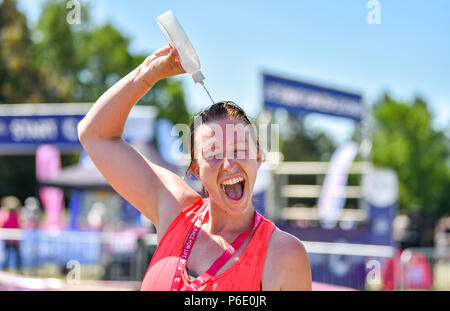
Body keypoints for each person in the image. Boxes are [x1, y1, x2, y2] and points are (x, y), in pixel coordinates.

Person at [78, 45, 312, 291]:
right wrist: (147, 74)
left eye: (239, 149)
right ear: (196, 170)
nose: (229, 163)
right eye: (213, 153)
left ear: (259, 157)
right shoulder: (174, 210)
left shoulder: (284, 254)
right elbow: (94, 135)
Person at [0, 196, 22, 272]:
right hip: (7, 238)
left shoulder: (16, 214)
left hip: (14, 238)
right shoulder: (5, 214)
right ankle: (6, 268)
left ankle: (16, 268)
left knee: (14, 253)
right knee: (7, 253)